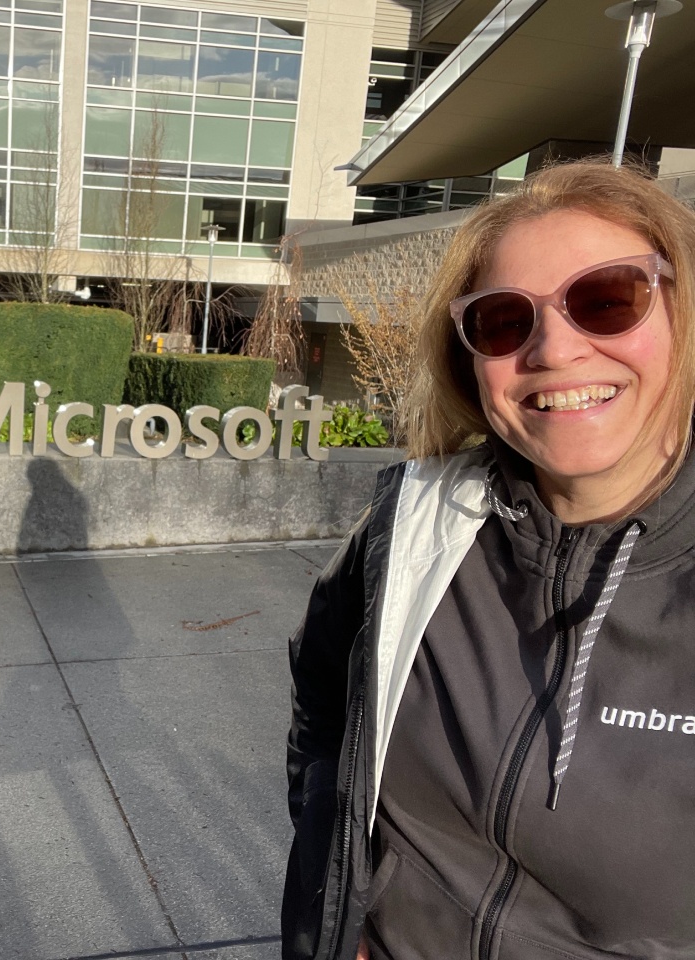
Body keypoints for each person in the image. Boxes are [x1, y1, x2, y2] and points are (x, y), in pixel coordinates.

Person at [282, 159, 695, 960]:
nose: (554, 348)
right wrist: (340, 904)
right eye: (505, 321)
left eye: (608, 299)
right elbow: (323, 703)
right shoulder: (411, 526)